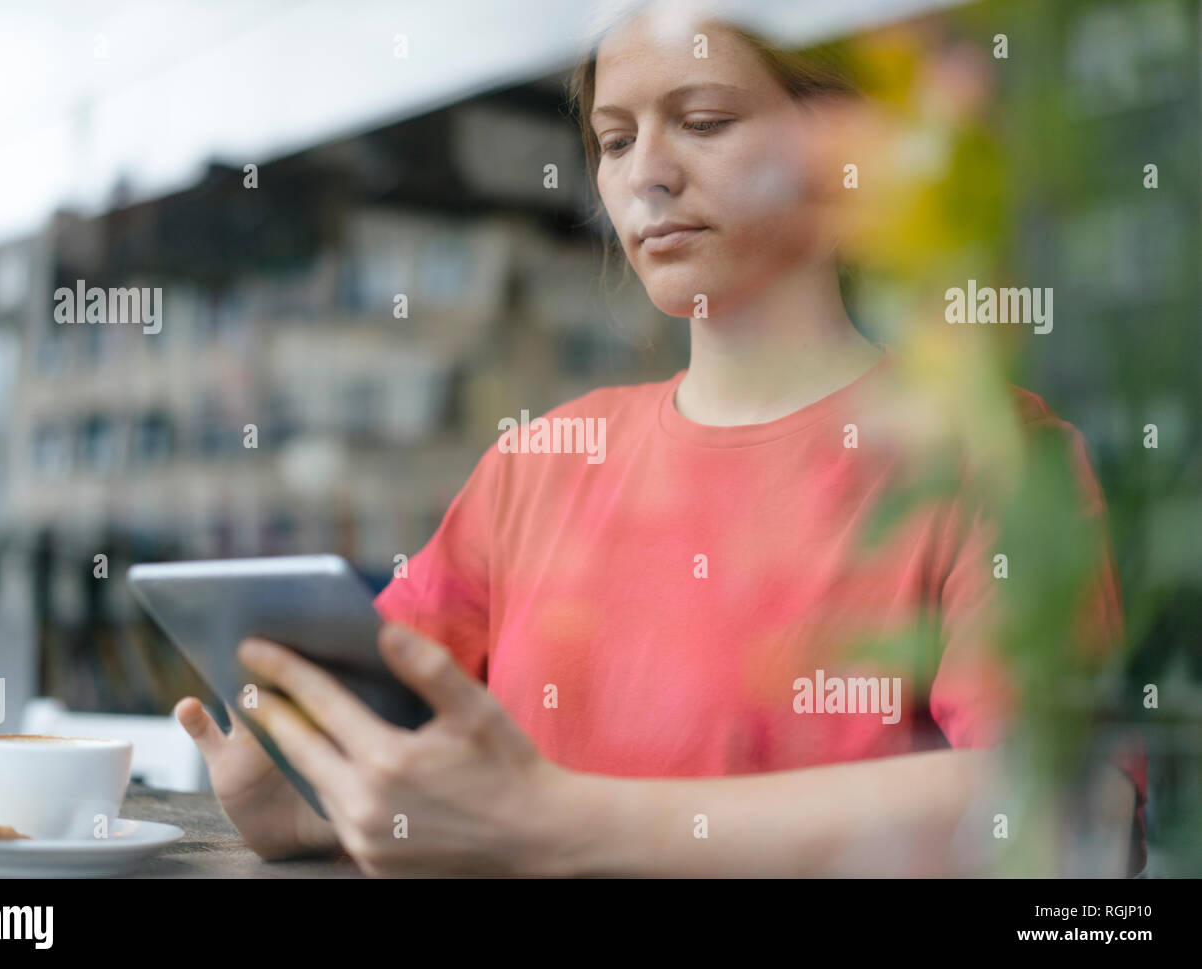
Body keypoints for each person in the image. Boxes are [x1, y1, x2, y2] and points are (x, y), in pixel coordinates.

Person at [174, 1, 1146, 877]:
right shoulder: (536, 461)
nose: (647, 173)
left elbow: (1070, 815)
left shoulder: (989, 456)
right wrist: (310, 797)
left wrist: (559, 825)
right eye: (613, 137)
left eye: (705, 121)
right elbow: (419, 774)